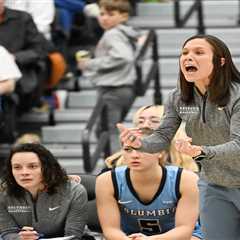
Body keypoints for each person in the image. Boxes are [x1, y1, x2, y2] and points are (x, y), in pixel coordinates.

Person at [118, 34, 240, 239]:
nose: (188, 57)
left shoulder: (237, 95)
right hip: (214, 184)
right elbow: (163, 136)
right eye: (184, 53)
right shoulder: (178, 97)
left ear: (220, 61)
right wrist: (140, 143)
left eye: (199, 52)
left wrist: (202, 151)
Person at [96, 142, 203, 239]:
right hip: (129, 237)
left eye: (143, 149)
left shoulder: (186, 179)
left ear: (160, 152)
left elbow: (184, 231)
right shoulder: (107, 180)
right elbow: (110, 230)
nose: (135, 155)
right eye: (128, 149)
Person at [77, 0, 139, 153]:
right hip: (124, 88)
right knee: (105, 129)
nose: (104, 18)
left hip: (113, 89)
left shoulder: (112, 34)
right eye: (102, 14)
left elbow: (123, 57)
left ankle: (116, 165)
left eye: (111, 14)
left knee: (109, 130)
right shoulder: (124, 32)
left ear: (124, 16)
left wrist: (90, 64)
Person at [0, 143, 88, 239]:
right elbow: (7, 232)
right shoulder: (3, 193)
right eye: (17, 167)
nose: (24, 173)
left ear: (47, 167)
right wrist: (20, 238)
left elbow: (73, 236)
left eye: (32, 166)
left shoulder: (74, 192)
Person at [106, 105, 198, 172]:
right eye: (141, 121)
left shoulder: (193, 154)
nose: (145, 125)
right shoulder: (117, 161)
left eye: (154, 121)